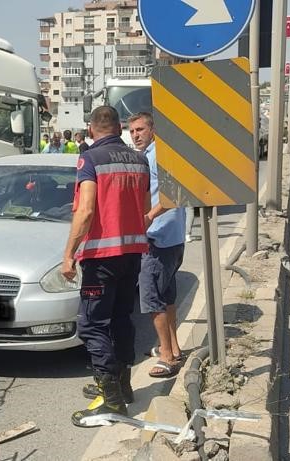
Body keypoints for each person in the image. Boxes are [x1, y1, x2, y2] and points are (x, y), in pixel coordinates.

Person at [62, 106, 150, 428]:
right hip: (132, 254)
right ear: (119, 128)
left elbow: (85, 211)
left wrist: (68, 254)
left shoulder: (90, 160)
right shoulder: (138, 160)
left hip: (101, 258)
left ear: (91, 128)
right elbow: (144, 208)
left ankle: (110, 400)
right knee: (121, 319)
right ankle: (122, 385)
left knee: (92, 325)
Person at [128, 112, 186, 378]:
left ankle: (165, 356)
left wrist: (148, 217)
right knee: (166, 297)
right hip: (170, 236)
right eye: (132, 131)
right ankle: (173, 349)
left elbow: (173, 191)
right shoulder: (157, 154)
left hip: (158, 237)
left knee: (151, 299)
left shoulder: (155, 156)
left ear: (152, 130)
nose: (136, 135)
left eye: (140, 129)